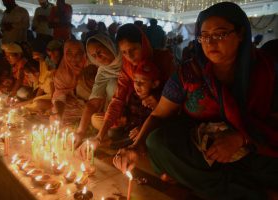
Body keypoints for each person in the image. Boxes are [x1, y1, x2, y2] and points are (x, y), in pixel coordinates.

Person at [113, 2, 278, 200]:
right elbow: (159, 114)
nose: (210, 42)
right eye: (204, 36)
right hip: (202, 151)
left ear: (241, 33)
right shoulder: (189, 74)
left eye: (219, 33)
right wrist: (135, 147)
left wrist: (239, 139)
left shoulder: (267, 71)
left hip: (254, 149)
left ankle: (210, 184)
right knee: (156, 142)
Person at [76, 24, 175, 160]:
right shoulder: (127, 68)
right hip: (135, 118)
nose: (129, 56)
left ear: (143, 44)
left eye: (133, 49)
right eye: (123, 52)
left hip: (164, 116)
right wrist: (99, 136)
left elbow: (177, 99)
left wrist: (159, 103)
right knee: (112, 132)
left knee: (153, 139)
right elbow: (117, 100)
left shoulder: (164, 60)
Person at [74, 33, 122, 146]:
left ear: (109, 45)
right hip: (113, 114)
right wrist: (80, 132)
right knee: (95, 119)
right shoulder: (103, 72)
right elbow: (93, 103)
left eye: (100, 52)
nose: (98, 58)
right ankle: (112, 131)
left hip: (134, 112)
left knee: (113, 83)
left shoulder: (127, 60)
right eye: (94, 56)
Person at [50, 39, 97, 126]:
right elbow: (60, 97)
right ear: (64, 54)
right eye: (69, 53)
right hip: (77, 104)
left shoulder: (93, 65)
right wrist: (59, 114)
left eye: (78, 53)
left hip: (95, 103)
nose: (74, 57)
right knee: (57, 110)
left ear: (83, 53)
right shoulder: (62, 73)